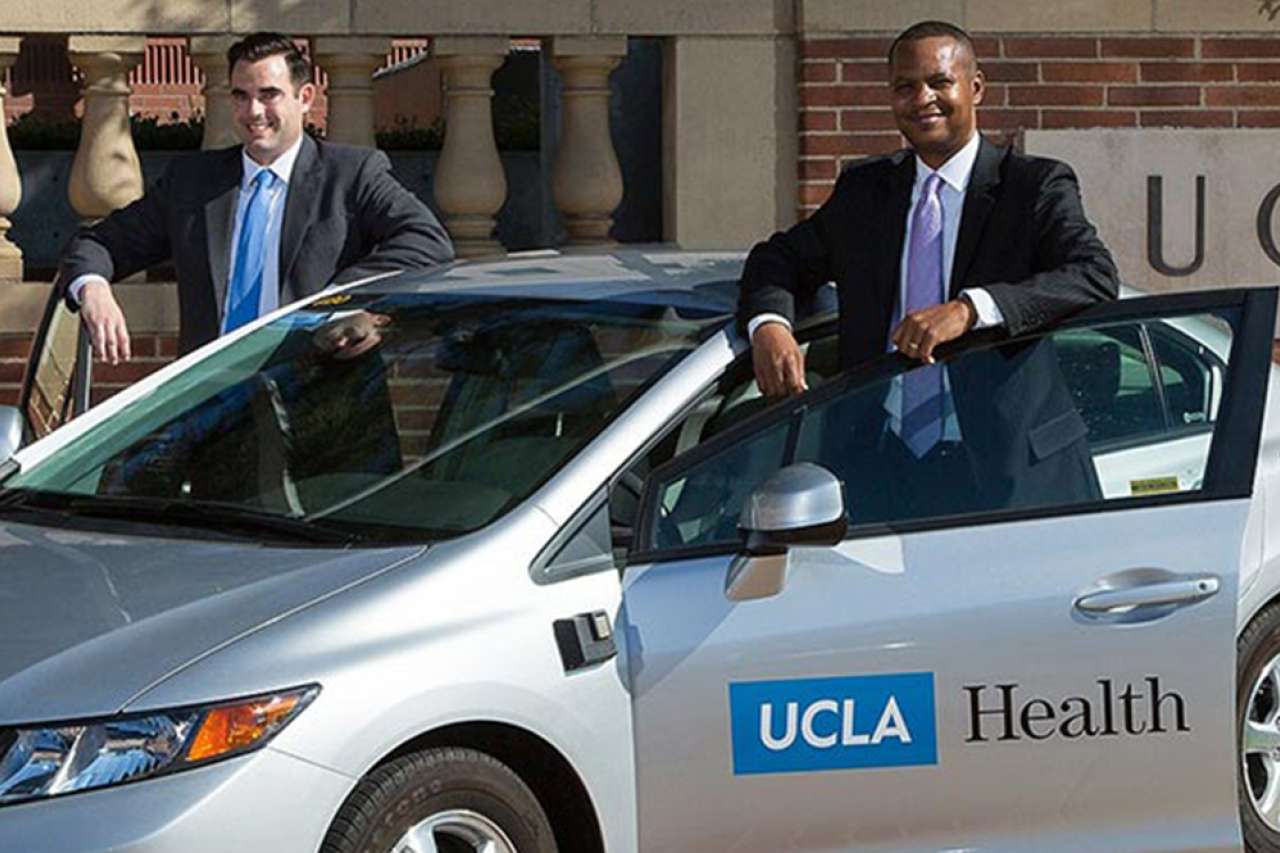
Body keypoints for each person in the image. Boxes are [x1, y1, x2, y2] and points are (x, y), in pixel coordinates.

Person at [738, 20, 1120, 518]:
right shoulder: (866, 191)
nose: (923, 99)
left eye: (940, 82)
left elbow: (1093, 274)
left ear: (975, 87)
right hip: (880, 466)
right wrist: (770, 327)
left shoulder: (1033, 186)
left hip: (1013, 472)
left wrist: (970, 310)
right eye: (905, 86)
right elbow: (778, 258)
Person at [58, 32, 454, 363]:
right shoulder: (193, 183)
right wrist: (93, 287)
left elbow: (427, 241)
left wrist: (342, 298)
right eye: (241, 95)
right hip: (216, 407)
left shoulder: (351, 174)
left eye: (269, 94)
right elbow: (95, 243)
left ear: (305, 97)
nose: (254, 111)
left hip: (324, 403)